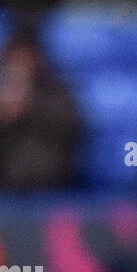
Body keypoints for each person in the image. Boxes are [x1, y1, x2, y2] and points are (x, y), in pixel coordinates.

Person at [0, 30, 81, 189]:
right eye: (15, 59)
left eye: (25, 59)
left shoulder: (58, 91)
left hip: (52, 185)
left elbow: (72, 129)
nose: (20, 66)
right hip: (5, 186)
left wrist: (28, 106)